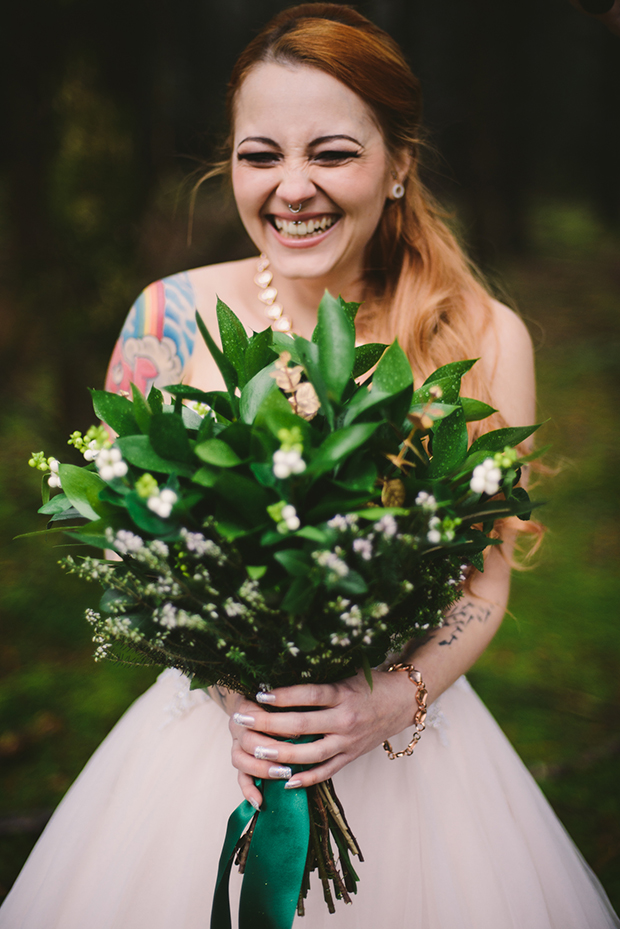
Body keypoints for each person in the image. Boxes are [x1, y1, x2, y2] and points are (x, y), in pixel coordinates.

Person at [1, 5, 618, 928]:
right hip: (214, 746)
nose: (293, 188)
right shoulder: (165, 319)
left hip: (406, 755)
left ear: (398, 163)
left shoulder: (484, 337)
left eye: (332, 153)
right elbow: (136, 549)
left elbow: (483, 583)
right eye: (262, 155)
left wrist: (382, 701)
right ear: (232, 164)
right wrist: (233, 686)